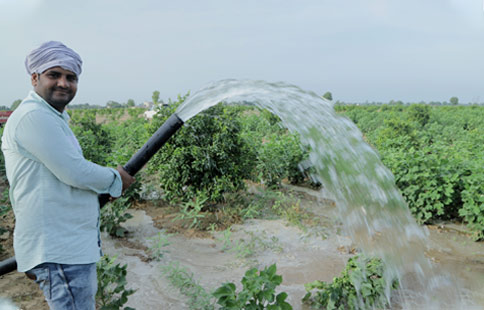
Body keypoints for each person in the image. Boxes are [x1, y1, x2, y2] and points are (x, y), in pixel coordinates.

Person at [1, 41, 135, 310]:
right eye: (54, 75)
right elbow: (74, 171)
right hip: (59, 250)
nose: (64, 83)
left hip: (63, 248)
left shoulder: (51, 117)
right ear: (35, 77)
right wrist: (116, 178)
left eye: (71, 77)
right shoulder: (33, 117)